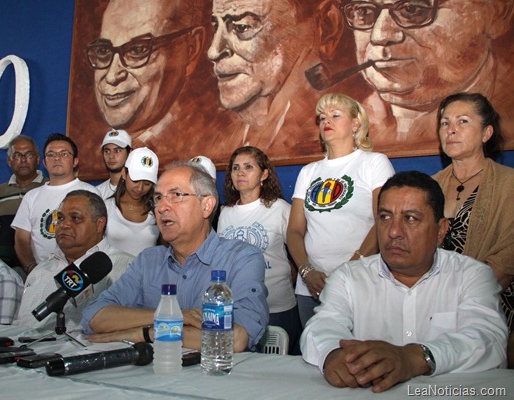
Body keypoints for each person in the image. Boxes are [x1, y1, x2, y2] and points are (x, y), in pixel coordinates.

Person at [301, 171, 508, 393]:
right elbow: (321, 327)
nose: (394, 231)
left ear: (441, 231)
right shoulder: (348, 277)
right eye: (385, 217)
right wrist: (334, 353)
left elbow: (488, 341)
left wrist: (413, 358)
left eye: (410, 218)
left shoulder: (472, 275)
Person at [81, 162, 268, 351]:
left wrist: (147, 333)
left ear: (207, 206)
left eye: (176, 195)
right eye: (158, 198)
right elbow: (94, 316)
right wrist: (177, 316)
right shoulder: (148, 260)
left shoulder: (242, 258)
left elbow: (236, 338)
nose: (162, 207)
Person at [339, 0, 514, 151]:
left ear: (495, 14)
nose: (380, 36)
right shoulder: (353, 124)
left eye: (413, 9)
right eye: (364, 12)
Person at [287, 93, 394, 328]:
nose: (327, 121)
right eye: (322, 117)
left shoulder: (374, 163)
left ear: (355, 124)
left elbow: (385, 220)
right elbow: (294, 231)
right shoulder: (309, 172)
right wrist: (306, 272)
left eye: (336, 115)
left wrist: (352, 267)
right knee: (314, 359)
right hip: (311, 288)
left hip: (361, 283)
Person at [432, 92, 514, 367]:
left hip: (495, 312)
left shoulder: (509, 185)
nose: (451, 129)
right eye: (445, 123)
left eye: (463, 121)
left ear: (486, 133)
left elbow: (504, 265)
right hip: (429, 313)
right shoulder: (427, 187)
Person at [206, 0, 339, 161]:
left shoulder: (326, 130)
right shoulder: (230, 138)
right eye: (215, 27)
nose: (213, 51)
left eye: (242, 27)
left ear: (327, 26)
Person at [87, 0, 207, 160]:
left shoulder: (206, 141)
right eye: (103, 51)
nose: (112, 76)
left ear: (191, 48)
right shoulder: (95, 152)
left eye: (138, 50)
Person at [14, 190, 134, 331]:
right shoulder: (39, 271)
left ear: (100, 224)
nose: (64, 225)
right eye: (60, 218)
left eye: (75, 218)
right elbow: (21, 326)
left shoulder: (127, 268)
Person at [217, 146, 299, 352]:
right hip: (237, 309)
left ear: (264, 174)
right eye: (235, 168)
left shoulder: (280, 209)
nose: (240, 173)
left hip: (277, 308)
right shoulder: (225, 213)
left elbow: (300, 255)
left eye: (248, 167)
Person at [11, 133, 99, 276]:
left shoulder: (89, 192)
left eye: (64, 154)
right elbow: (21, 239)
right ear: (44, 162)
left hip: (80, 275)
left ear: (75, 161)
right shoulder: (31, 196)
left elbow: (97, 236)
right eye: (51, 155)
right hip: (40, 274)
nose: (57, 158)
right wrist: (32, 268)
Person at [0, 135, 47, 271]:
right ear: (9, 161)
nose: (23, 160)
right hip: (7, 268)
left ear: (38, 159)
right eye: (17, 155)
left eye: (29, 154)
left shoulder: (49, 187)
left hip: (42, 266)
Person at [104, 147, 159, 256]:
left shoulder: (158, 210)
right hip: (113, 273)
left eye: (147, 184)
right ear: (124, 173)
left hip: (148, 273)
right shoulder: (106, 207)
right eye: (135, 181)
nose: (140, 188)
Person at [96, 129, 132, 200]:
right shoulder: (97, 193)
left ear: (129, 153)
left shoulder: (139, 190)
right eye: (107, 151)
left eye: (117, 151)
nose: (111, 156)